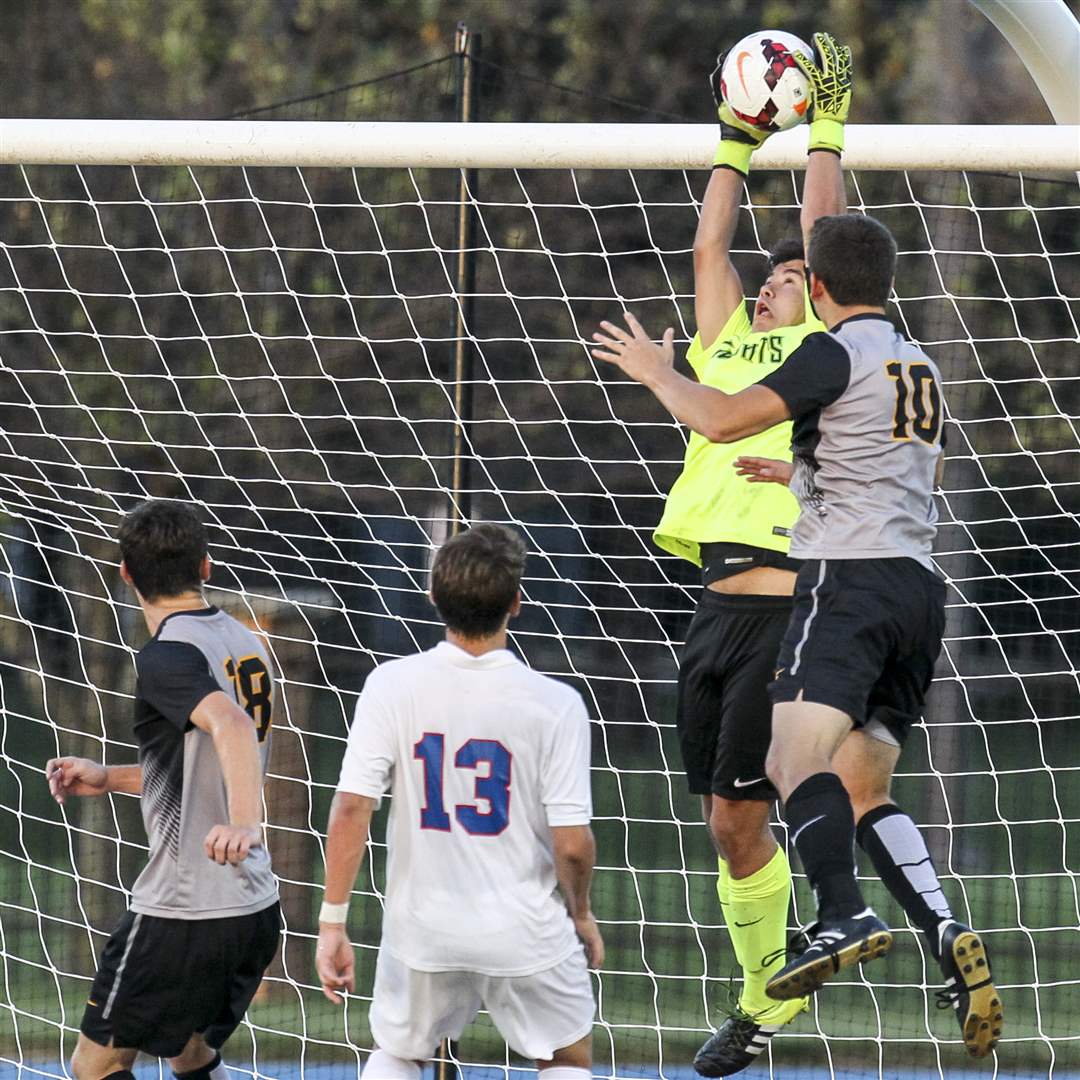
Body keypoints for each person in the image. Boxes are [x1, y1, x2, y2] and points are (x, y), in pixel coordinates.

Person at [590, 212, 1003, 1058]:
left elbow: (715, 418)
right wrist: (803, 470)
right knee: (862, 787)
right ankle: (943, 928)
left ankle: (839, 916)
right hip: (918, 593)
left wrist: (654, 372)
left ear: (817, 289)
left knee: (786, 764)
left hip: (842, 586)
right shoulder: (914, 361)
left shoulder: (831, 350)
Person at [649, 31, 851, 1076]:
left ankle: (768, 995)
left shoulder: (820, 350)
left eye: (793, 279)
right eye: (769, 281)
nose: (773, 285)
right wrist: (734, 139)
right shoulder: (726, 343)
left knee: (753, 803)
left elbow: (824, 231)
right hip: (714, 607)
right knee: (728, 826)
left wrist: (823, 126)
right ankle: (773, 986)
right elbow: (707, 252)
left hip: (788, 607)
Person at [315, 523, 602, 1080]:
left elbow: (352, 808)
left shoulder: (391, 684)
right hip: (523, 930)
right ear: (516, 603)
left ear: (432, 596)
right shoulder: (555, 703)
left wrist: (333, 922)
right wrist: (583, 914)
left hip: (422, 929)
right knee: (565, 1058)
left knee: (399, 1053)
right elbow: (572, 843)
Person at [45, 500, 281, 1080]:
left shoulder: (166, 655)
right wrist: (112, 777)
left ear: (125, 574)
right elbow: (212, 762)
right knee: (190, 1053)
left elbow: (231, 726)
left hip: (184, 910)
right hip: (252, 905)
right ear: (206, 566)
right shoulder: (245, 641)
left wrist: (247, 824)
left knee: (94, 1067)